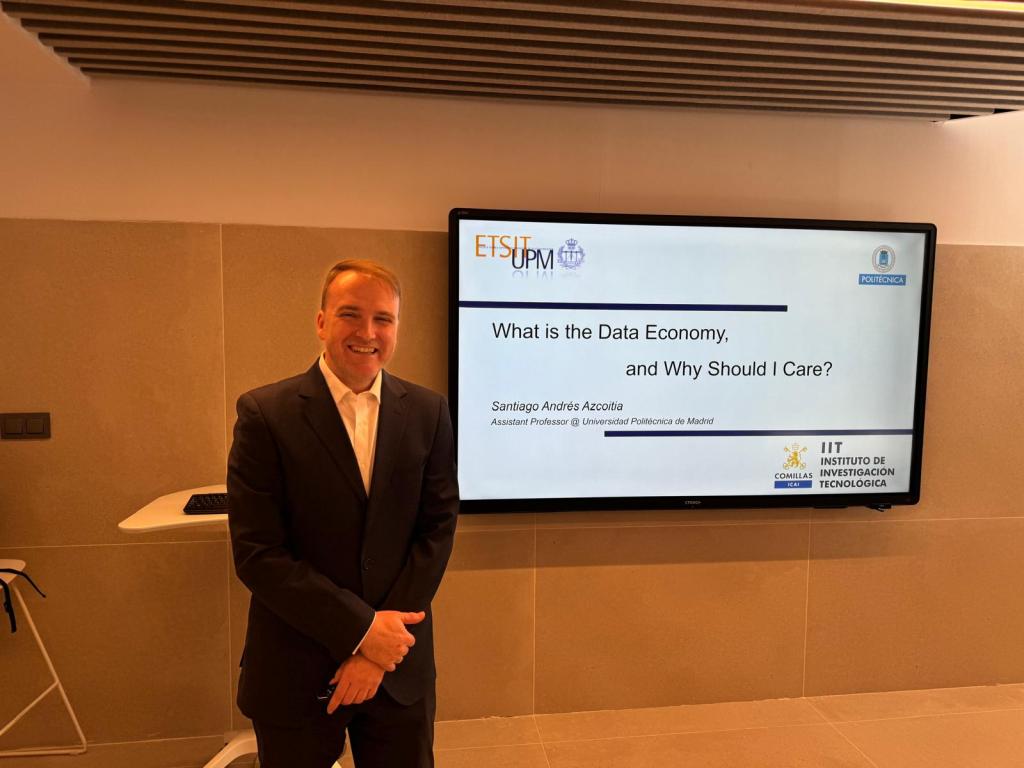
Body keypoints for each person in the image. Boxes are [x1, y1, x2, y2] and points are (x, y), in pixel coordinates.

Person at [227, 259, 459, 768]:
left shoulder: (429, 412)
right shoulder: (265, 415)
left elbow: (436, 532)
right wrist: (362, 631)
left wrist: (379, 649)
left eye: (383, 319)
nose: (367, 333)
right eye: (350, 314)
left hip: (398, 667)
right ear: (321, 321)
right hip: (296, 666)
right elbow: (258, 554)